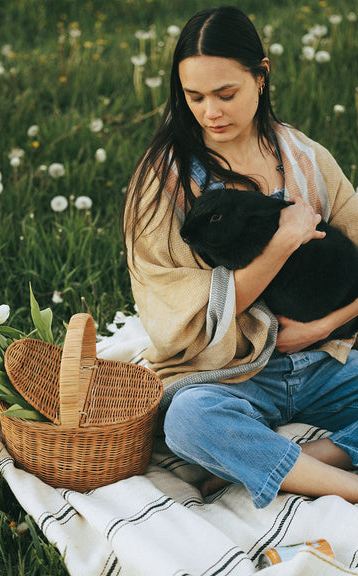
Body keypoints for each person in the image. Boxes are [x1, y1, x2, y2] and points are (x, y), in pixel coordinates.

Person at [123, 5, 358, 509]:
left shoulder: (305, 158)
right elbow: (171, 312)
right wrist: (280, 244)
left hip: (326, 360)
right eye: (195, 97)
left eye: (226, 94)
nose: (211, 112)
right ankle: (346, 485)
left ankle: (315, 456)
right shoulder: (163, 182)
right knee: (189, 420)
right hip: (234, 372)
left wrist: (321, 329)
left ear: (261, 75)